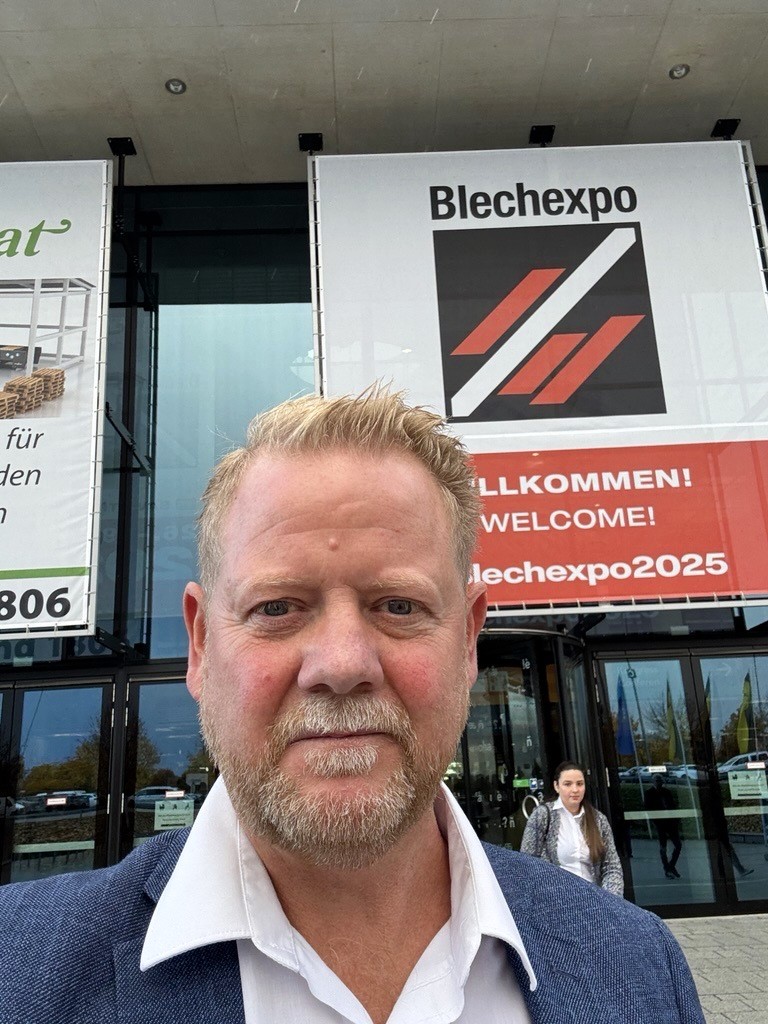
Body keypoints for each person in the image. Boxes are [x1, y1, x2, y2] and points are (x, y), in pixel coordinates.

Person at [0, 389, 704, 1024]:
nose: (341, 666)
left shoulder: (639, 967)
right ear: (202, 644)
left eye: (398, 606)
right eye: (277, 607)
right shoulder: (17, 970)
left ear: (467, 640)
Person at [520, 761, 624, 896]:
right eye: (567, 784)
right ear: (556, 786)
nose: (575, 790)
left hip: (594, 899)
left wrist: (609, 900)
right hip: (557, 899)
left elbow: (612, 867)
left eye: (579, 784)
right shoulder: (542, 816)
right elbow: (526, 862)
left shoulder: (598, 819)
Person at [644, 773, 684, 879]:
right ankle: (667, 868)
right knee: (663, 847)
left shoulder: (667, 792)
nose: (659, 783)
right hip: (660, 823)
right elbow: (648, 809)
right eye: (657, 781)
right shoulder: (649, 793)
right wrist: (656, 822)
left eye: (660, 781)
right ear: (653, 782)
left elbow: (672, 806)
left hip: (671, 822)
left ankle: (671, 866)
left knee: (678, 845)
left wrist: (676, 819)